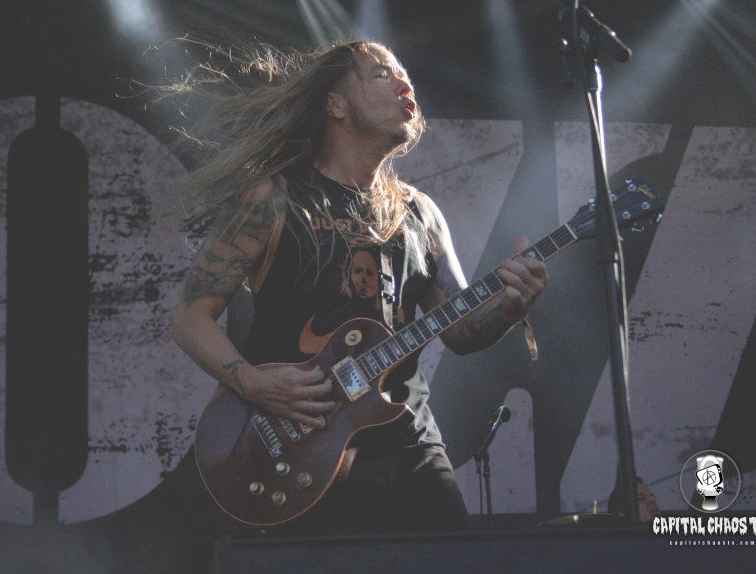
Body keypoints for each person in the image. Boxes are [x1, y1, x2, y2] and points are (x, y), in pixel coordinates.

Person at [169, 38, 549, 535]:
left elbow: (462, 331)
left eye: (406, 77)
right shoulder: (273, 198)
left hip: (409, 440)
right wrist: (255, 384)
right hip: (304, 444)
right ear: (335, 104)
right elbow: (190, 320)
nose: (405, 85)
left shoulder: (419, 211)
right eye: (383, 74)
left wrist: (511, 306)